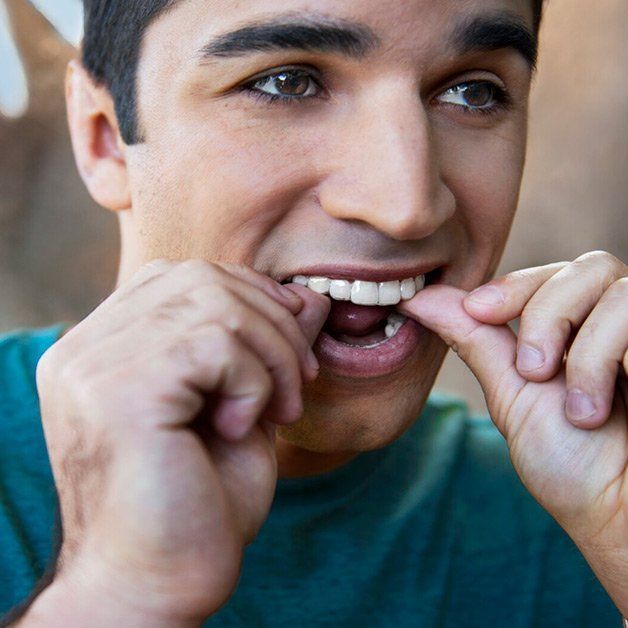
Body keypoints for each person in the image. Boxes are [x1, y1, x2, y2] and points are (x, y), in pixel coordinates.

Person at [0, 0, 626, 625]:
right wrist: (112, 598)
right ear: (104, 137)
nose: (407, 205)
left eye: (474, 92)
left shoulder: (582, 504)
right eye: (286, 83)